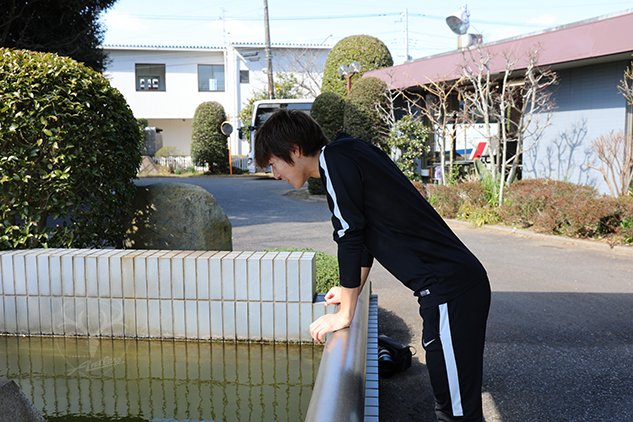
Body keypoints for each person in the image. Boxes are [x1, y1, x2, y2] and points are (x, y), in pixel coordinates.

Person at [255, 108, 491, 422]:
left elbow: (350, 235)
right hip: (450, 290)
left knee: (457, 412)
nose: (275, 175)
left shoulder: (336, 164)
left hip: (450, 291)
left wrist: (345, 314)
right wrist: (349, 289)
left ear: (295, 151)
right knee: (451, 402)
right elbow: (364, 238)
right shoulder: (346, 152)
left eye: (273, 164)